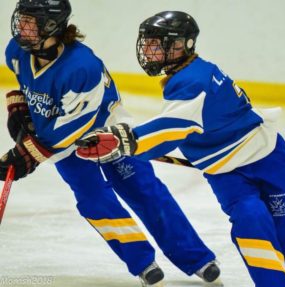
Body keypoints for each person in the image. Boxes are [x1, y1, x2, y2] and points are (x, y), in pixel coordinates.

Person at [76, 11, 285, 287]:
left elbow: (170, 128)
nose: (148, 51)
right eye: (148, 43)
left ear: (184, 45)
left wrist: (122, 139)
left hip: (270, 161)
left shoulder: (195, 81)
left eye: (157, 44)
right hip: (227, 174)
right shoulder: (186, 76)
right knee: (251, 222)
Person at [0, 2, 222, 286]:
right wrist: (19, 106)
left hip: (110, 136)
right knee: (94, 200)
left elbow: (74, 127)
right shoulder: (16, 51)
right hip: (58, 145)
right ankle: (142, 262)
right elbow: (28, 85)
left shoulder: (83, 66)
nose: (23, 28)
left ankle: (197, 258)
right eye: (22, 20)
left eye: (31, 22)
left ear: (52, 25)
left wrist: (27, 155)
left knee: (144, 191)